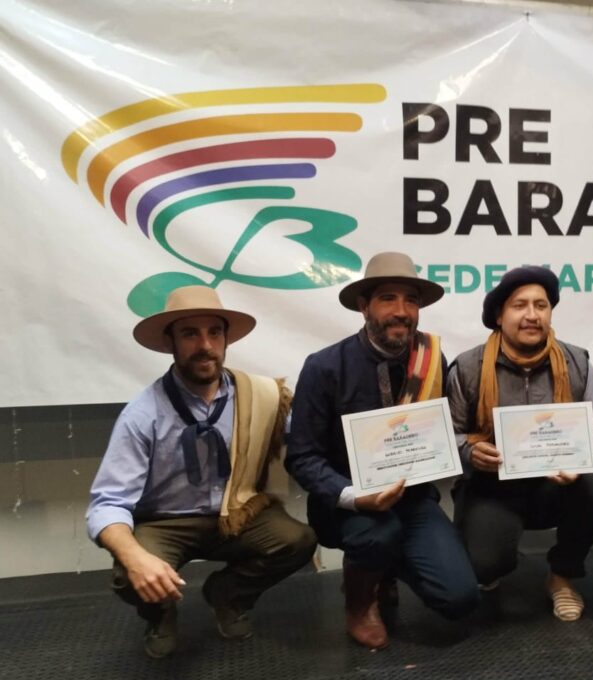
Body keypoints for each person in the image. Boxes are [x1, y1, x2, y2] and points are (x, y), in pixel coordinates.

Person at [86, 286, 317, 659]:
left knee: (299, 540)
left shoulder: (259, 396)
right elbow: (106, 504)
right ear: (170, 343)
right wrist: (136, 558)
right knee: (128, 574)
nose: (205, 345)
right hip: (166, 521)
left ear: (226, 340)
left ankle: (227, 593)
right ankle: (159, 613)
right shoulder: (142, 414)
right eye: (190, 334)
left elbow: (310, 439)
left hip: (237, 513)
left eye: (214, 333)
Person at [285, 251, 479, 649]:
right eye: (388, 298)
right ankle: (359, 601)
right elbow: (301, 457)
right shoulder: (324, 367)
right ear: (364, 306)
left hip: (412, 499)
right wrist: (355, 496)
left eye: (411, 301)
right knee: (378, 535)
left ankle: (382, 569)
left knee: (459, 598)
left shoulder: (431, 359)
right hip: (346, 505)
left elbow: (434, 434)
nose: (401, 311)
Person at [447, 266, 593, 621]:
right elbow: (451, 435)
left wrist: (580, 460)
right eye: (519, 305)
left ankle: (561, 576)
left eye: (541, 305)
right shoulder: (468, 367)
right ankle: (496, 556)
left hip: (555, 486)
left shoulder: (577, 363)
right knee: (484, 566)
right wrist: (471, 452)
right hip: (492, 488)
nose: (532, 315)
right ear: (499, 315)